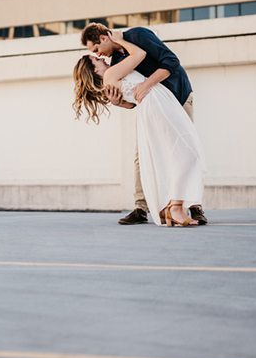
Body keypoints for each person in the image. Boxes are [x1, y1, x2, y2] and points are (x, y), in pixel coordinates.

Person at [80, 23, 208, 225]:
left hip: (178, 95)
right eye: (96, 56)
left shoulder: (138, 36)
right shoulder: (115, 62)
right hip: (154, 107)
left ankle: (193, 205)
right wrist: (119, 102)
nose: (100, 55)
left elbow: (171, 61)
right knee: (149, 154)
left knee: (185, 151)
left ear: (104, 38)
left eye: (96, 50)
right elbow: (133, 98)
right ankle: (149, 207)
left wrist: (146, 85)